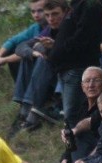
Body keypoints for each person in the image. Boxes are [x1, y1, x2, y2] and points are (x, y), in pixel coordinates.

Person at [10, 0, 69, 133]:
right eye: (47, 15)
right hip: (51, 75)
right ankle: (24, 110)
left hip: (65, 77)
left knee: (43, 57)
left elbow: (72, 54)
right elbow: (20, 47)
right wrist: (33, 52)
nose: (51, 19)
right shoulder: (48, 30)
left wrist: (52, 47)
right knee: (32, 54)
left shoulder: (71, 27)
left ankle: (29, 113)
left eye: (55, 14)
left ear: (65, 12)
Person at [47, 0, 102, 130]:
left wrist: (61, 50)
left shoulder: (90, 5)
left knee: (75, 114)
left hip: (78, 68)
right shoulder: (75, 5)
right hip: (66, 68)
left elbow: (84, 36)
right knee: (72, 114)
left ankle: (78, 147)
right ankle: (73, 146)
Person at [0, 0, 46, 80]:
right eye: (33, 11)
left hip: (50, 67)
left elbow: (30, 52)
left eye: (40, 11)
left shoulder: (53, 27)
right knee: (12, 49)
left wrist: (3, 60)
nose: (36, 15)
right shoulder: (36, 27)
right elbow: (12, 41)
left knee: (25, 52)